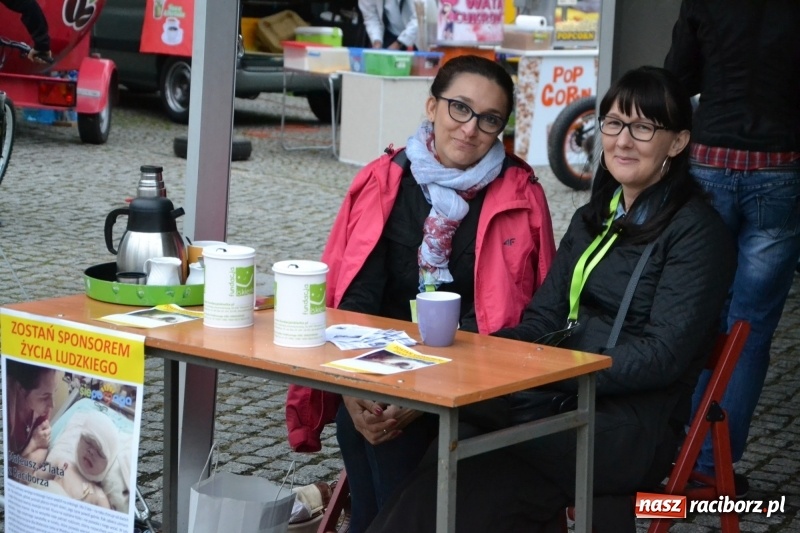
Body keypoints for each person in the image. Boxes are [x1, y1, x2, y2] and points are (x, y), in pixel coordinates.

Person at [364, 65, 737, 532]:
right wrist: (490, 359)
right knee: (437, 465)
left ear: (677, 143)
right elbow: (542, 317)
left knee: (451, 451)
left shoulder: (698, 234)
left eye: (644, 127)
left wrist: (552, 374)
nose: (623, 141)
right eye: (615, 123)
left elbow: (661, 356)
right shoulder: (593, 218)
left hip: (622, 428)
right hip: (558, 408)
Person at [285, 54, 557, 532]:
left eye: (489, 119)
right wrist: (351, 390)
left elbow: (533, 316)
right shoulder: (383, 180)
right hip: (379, 372)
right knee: (364, 428)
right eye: (459, 108)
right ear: (431, 106)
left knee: (395, 454)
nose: (470, 128)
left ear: (501, 129)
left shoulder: (521, 197)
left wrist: (427, 391)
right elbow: (353, 299)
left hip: (478, 383)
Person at [664, 0, 800, 494]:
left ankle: (669, 447)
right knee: (751, 329)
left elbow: (677, 76)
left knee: (697, 312)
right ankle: (708, 467)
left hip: (709, 163)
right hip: (780, 165)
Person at [40, 409, 119, 508]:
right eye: (88, 442)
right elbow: (35, 479)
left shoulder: (99, 497)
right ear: (79, 439)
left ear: (109, 463)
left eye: (100, 452)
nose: (91, 452)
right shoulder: (62, 464)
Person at [5, 360, 57, 474]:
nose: (52, 405)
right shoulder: (6, 415)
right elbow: (9, 475)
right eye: (45, 397)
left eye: (54, 393)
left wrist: (27, 459)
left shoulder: (42, 410)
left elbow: (43, 449)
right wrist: (33, 443)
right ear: (21, 391)